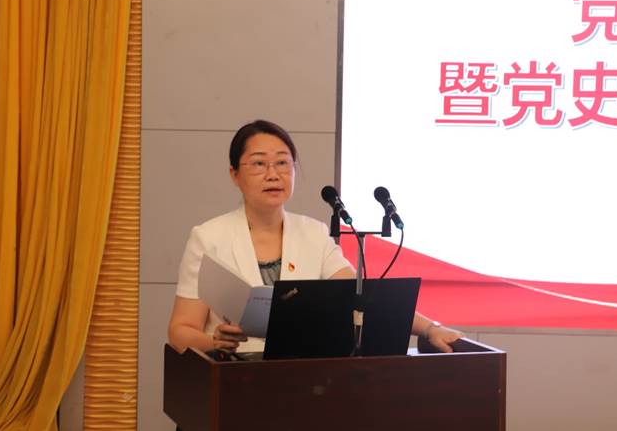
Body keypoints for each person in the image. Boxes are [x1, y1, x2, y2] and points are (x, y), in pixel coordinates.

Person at [167, 120, 463, 355]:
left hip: (303, 377)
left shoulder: (314, 234)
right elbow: (180, 331)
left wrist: (430, 329)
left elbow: (362, 298)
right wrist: (215, 343)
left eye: (283, 163)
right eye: (258, 164)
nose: (273, 174)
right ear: (234, 174)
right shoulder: (209, 237)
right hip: (234, 377)